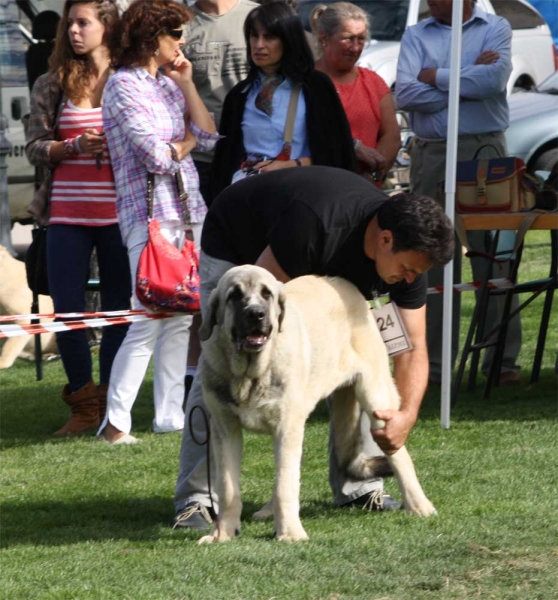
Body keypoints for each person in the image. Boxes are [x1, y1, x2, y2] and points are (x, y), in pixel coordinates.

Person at [173, 165, 455, 529]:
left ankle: (358, 486)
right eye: (407, 269)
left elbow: (412, 348)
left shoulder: (409, 254)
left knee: (361, 364)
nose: (411, 279)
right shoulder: (314, 222)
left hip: (325, 264)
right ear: (385, 240)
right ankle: (198, 499)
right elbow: (262, 309)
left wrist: (406, 416)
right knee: (223, 359)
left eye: (416, 272)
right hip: (243, 249)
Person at [98, 0, 219, 444]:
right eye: (176, 34)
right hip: (147, 217)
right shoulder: (122, 86)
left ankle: (169, 415)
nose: (182, 42)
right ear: (154, 39)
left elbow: (207, 135)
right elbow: (156, 156)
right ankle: (115, 423)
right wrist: (184, 141)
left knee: (182, 317)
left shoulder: (168, 83)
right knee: (148, 317)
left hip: (188, 215)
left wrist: (187, 85)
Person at [395, 0, 522, 385]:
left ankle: (500, 362)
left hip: (484, 153)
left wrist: (435, 76)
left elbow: (493, 82)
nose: (433, 1)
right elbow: (405, 94)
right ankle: (431, 368)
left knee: (494, 259)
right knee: (430, 259)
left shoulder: (495, 27)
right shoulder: (416, 34)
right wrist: (465, 80)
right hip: (431, 153)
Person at [25, 0, 131, 436]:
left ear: (107, 26)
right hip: (65, 214)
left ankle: (110, 403)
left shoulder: (131, 80)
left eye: (83, 23)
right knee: (67, 311)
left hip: (121, 216)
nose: (73, 31)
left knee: (118, 313)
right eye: (70, 23)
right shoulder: (53, 83)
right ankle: (83, 404)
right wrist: (71, 148)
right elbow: (34, 145)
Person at [181, 0, 258, 392]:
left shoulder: (254, 17)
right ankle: (197, 371)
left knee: (249, 268)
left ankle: (253, 358)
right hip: (195, 160)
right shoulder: (183, 21)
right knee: (200, 270)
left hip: (248, 161)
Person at [210, 0, 356, 198]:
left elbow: (338, 154)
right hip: (250, 199)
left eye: (269, 37)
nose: (259, 45)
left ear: (288, 39)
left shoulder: (316, 86)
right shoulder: (239, 96)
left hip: (305, 195)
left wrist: (291, 165)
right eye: (254, 36)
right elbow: (224, 164)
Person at [312, 2, 400, 184]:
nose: (355, 47)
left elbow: (391, 136)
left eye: (361, 39)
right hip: (319, 186)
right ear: (324, 38)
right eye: (347, 38)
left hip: (366, 192)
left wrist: (371, 177)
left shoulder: (373, 82)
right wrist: (351, 146)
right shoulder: (306, 82)